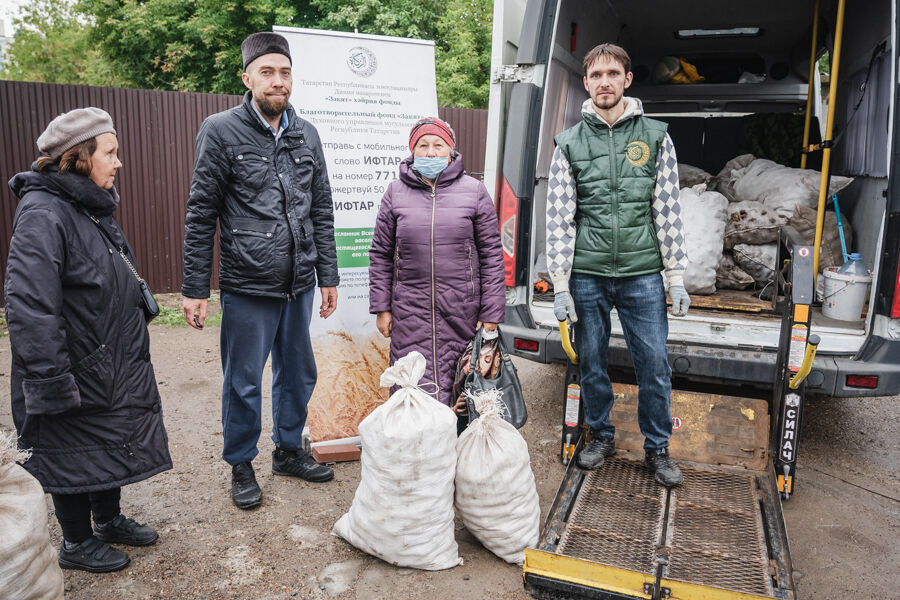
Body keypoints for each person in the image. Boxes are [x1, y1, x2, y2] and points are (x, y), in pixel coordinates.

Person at [6, 107, 172, 572]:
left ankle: (107, 518)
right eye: (111, 152)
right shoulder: (43, 213)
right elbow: (30, 305)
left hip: (104, 357)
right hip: (73, 364)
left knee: (107, 434)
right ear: (79, 157)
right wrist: (48, 378)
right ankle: (76, 542)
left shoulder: (87, 205)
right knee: (69, 445)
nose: (118, 162)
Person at [182, 31, 339, 510]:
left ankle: (289, 450)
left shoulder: (305, 132)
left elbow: (322, 208)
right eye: (267, 72)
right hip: (248, 282)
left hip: (300, 281)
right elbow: (201, 211)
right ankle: (242, 464)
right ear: (247, 77)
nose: (278, 81)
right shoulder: (221, 129)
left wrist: (327, 276)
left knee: (297, 373)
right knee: (243, 380)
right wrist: (194, 287)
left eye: (285, 72)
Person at [546, 43, 691, 486]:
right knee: (591, 362)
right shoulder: (568, 143)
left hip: (642, 273)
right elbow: (558, 217)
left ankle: (658, 448)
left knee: (654, 365)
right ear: (585, 83)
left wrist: (676, 276)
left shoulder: (654, 136)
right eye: (596, 75)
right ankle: (602, 436)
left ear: (627, 79)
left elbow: (667, 209)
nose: (604, 81)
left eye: (613, 73)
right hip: (587, 274)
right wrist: (561, 283)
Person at [369, 117, 505, 416]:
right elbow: (380, 253)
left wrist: (491, 312)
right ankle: (418, 456)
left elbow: (492, 254)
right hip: (409, 312)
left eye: (438, 145)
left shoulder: (474, 191)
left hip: (463, 311)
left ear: (451, 150)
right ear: (412, 150)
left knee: (463, 390)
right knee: (413, 392)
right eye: (423, 145)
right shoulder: (395, 193)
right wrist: (382, 307)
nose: (430, 152)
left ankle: (458, 454)